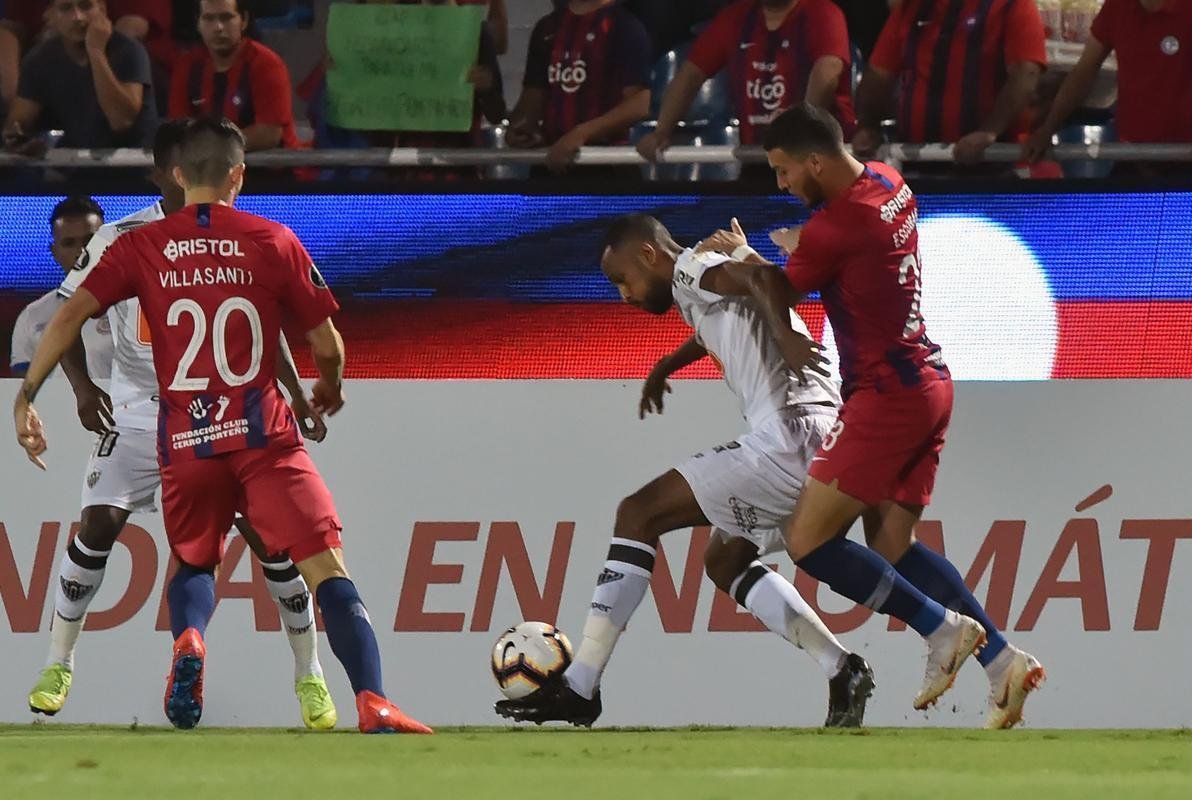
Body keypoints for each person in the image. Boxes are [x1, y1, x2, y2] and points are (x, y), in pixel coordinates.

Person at [14, 117, 431, 735]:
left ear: (179, 173)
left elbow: (70, 310)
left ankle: (205, 643)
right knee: (317, 564)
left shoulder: (139, 247)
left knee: (195, 563)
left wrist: (26, 396)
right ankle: (370, 697)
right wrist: (323, 388)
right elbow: (321, 342)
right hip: (244, 425)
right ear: (238, 173)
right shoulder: (268, 237)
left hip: (186, 431)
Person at [702, 102, 1045, 728]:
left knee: (808, 539)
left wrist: (735, 266)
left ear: (813, 160)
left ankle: (942, 631)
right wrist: (799, 250)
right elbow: (845, 253)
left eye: (782, 171)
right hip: (930, 383)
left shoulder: (837, 225)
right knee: (892, 543)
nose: (780, 185)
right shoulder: (888, 181)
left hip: (887, 396)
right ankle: (1002, 664)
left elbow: (776, 290)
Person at [495, 213, 875, 729]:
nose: (623, 294)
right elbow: (725, 316)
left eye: (622, 279)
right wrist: (665, 366)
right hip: (819, 435)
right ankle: (842, 667)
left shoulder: (691, 267)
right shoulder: (699, 284)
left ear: (649, 254)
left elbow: (765, 281)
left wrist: (786, 341)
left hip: (788, 435)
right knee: (725, 559)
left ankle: (581, 686)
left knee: (638, 513)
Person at [638, 0, 855, 166]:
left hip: (817, 160)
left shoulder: (823, 13)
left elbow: (827, 72)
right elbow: (690, 74)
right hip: (759, 159)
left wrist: (798, 127)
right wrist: (662, 131)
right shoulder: (736, 18)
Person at [852, 0, 1046, 167]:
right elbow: (879, 75)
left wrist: (988, 132)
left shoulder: (1012, 5)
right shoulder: (912, 8)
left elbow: (1026, 75)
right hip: (915, 159)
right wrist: (868, 126)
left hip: (989, 163)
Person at [1022, 0, 1192, 175]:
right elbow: (1083, 72)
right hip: (1133, 155)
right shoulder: (1118, 6)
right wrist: (1047, 129)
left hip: (1184, 156)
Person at [508, 0, 651, 174]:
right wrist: (519, 129)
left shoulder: (623, 26)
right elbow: (533, 97)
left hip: (606, 166)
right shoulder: (547, 27)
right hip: (552, 165)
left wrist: (581, 134)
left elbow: (639, 104)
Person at [2, 0, 158, 151]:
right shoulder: (40, 59)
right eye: (65, 8)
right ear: (50, 15)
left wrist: (96, 52)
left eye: (86, 6)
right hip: (73, 169)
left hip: (134, 167)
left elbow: (121, 121)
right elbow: (17, 125)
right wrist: (19, 140)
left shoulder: (129, 50)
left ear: (102, 9)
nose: (78, 17)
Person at [169, 0, 298, 151]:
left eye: (226, 18)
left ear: (244, 21)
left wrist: (214, 148)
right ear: (198, 23)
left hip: (269, 171)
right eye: (209, 18)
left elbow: (269, 135)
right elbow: (178, 128)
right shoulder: (187, 65)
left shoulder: (266, 64)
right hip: (208, 170)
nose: (218, 28)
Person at [11, 197, 112, 380]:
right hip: (55, 409)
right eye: (69, 243)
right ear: (55, 252)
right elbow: (22, 389)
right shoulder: (32, 316)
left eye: (90, 240)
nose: (81, 252)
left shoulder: (138, 305)